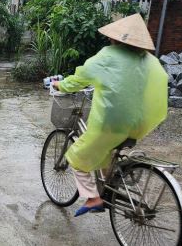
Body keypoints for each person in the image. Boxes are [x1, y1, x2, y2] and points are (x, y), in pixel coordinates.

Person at [52, 13, 168, 217]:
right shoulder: (149, 61)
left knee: (77, 156)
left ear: (116, 38)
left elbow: (81, 78)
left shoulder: (108, 56)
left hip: (113, 123)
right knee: (106, 151)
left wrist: (60, 84)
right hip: (140, 123)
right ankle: (112, 188)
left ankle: (93, 198)